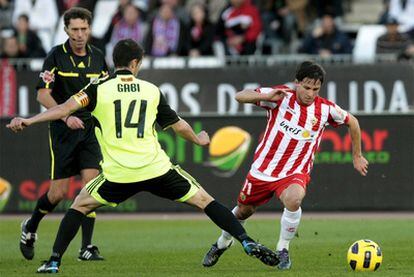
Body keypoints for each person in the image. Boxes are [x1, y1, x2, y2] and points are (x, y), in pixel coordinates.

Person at [7, 39, 279, 274]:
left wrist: (29, 121)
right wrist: (198, 139)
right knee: (206, 201)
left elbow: (64, 108)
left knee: (79, 206)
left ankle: (54, 262)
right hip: (156, 168)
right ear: (136, 63)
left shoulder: (98, 88)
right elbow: (179, 126)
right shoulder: (151, 90)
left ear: (115, 62)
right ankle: (245, 240)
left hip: (119, 174)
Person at [202, 61, 369, 270]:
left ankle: (283, 250)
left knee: (294, 199)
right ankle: (221, 244)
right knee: (243, 212)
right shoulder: (280, 96)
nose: (310, 93)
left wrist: (357, 155)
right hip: (263, 170)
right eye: (306, 87)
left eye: (315, 89)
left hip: (294, 172)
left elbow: (352, 121)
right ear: (297, 82)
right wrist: (264, 96)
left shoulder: (325, 109)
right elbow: (239, 95)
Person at [18, 7, 108, 262]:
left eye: (84, 29)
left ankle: (86, 247)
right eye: (75, 29)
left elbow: (104, 92)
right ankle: (31, 226)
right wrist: (65, 116)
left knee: (91, 187)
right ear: (66, 30)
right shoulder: (55, 56)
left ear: (89, 29)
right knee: (58, 193)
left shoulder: (99, 57)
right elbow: (42, 94)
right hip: (62, 129)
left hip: (89, 128)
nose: (80, 34)